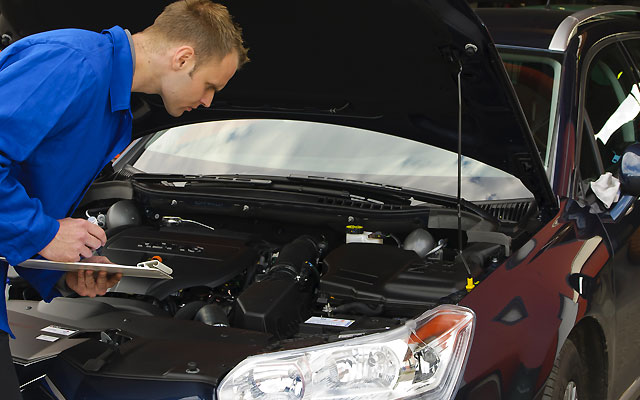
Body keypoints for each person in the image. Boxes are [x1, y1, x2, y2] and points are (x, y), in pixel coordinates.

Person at [0, 0, 249, 397]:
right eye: (210, 86)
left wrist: (63, 269)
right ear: (183, 58)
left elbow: (24, 185)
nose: (208, 103)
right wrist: (43, 233)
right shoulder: (72, 63)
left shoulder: (115, 111)